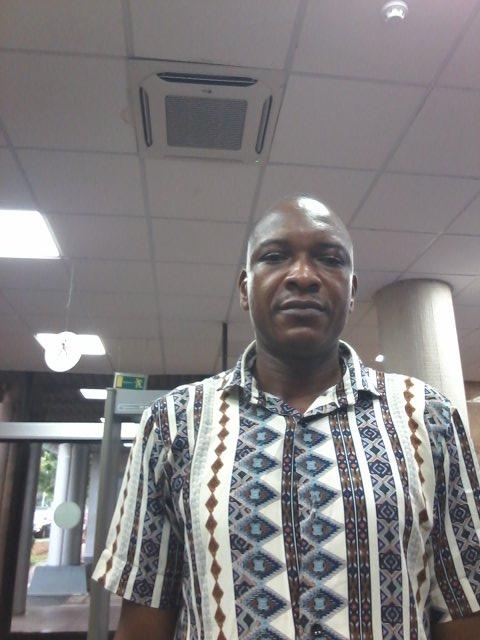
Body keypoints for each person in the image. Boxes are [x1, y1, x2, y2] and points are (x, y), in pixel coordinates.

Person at [92, 195, 480, 640]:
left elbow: (464, 606)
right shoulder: (173, 425)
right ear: (244, 288)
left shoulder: (428, 418)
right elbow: (144, 616)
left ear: (352, 291)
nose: (303, 276)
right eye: (275, 257)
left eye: (329, 259)